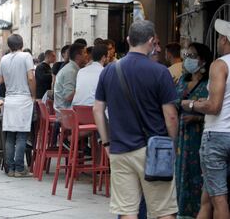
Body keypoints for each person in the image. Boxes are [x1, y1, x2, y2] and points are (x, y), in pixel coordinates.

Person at [94, 20, 178, 219]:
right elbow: (171, 115)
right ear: (151, 41)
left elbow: (97, 110)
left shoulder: (108, 71)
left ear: (128, 40)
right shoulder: (160, 72)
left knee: (127, 210)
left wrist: (106, 142)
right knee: (164, 209)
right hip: (153, 149)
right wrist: (172, 145)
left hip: (120, 149)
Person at [182, 19, 230, 219]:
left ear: (226, 39)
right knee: (207, 195)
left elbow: (214, 106)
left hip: (218, 135)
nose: (218, 40)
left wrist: (191, 104)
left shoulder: (220, 64)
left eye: (220, 37)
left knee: (218, 198)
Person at [175, 43, 212, 219]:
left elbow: (215, 111)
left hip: (200, 135)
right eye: (186, 54)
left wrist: (197, 118)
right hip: (182, 136)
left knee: (199, 174)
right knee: (181, 172)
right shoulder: (183, 80)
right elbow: (173, 103)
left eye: (193, 55)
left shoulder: (210, 84)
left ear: (203, 60)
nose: (188, 58)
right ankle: (182, 212)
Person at [0, 34, 36, 177]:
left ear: (9, 46)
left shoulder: (4, 59)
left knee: (10, 136)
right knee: (22, 135)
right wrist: (33, 95)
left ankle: (11, 168)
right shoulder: (26, 56)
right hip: (23, 99)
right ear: (22, 43)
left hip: (10, 100)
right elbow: (31, 77)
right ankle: (20, 168)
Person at [54, 43, 88, 112]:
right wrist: (83, 88)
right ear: (78, 56)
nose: (87, 55)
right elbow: (68, 97)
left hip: (67, 110)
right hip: (65, 113)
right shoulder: (71, 71)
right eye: (85, 52)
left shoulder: (73, 69)